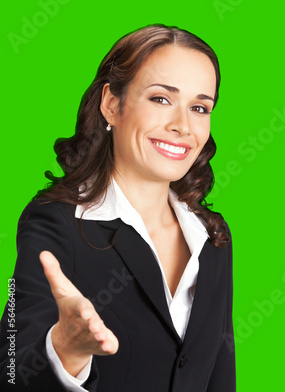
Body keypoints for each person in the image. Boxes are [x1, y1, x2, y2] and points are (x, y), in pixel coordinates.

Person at [0, 23, 236, 392]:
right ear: (112, 104)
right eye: (161, 99)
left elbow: (220, 375)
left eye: (200, 107)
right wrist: (65, 351)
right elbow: (11, 371)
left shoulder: (211, 235)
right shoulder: (55, 222)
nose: (183, 126)